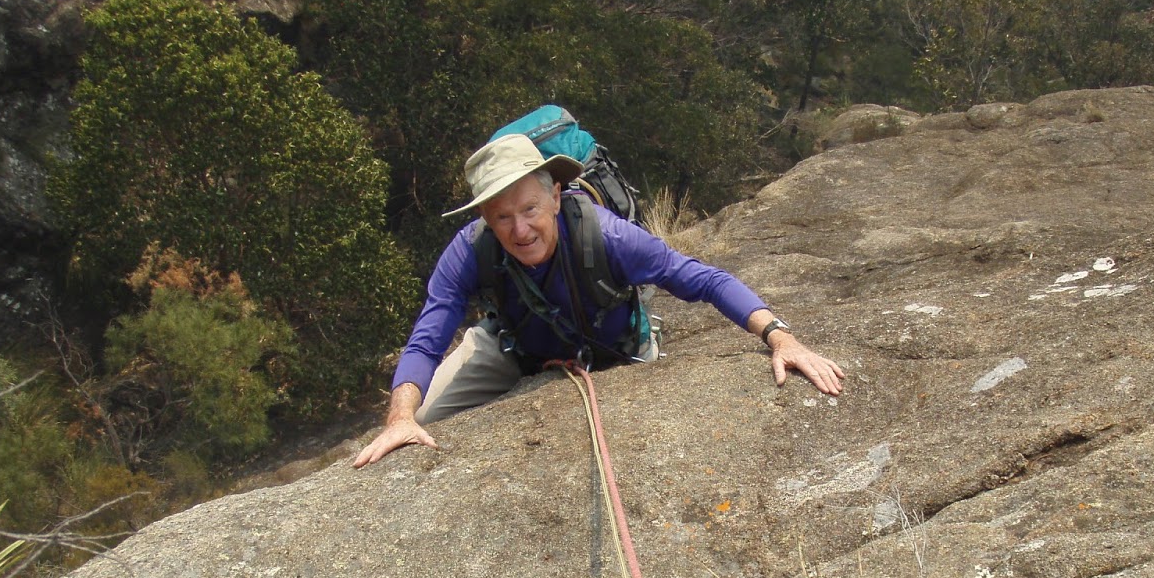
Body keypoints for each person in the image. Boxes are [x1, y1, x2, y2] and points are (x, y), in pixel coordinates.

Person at [353, 134, 844, 467]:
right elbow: (428, 336)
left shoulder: (606, 236)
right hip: (514, 348)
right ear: (485, 215)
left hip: (615, 347)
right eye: (502, 217)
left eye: (529, 209)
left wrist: (781, 337)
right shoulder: (469, 249)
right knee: (421, 423)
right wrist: (400, 417)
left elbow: (699, 278)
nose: (519, 230)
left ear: (555, 194)